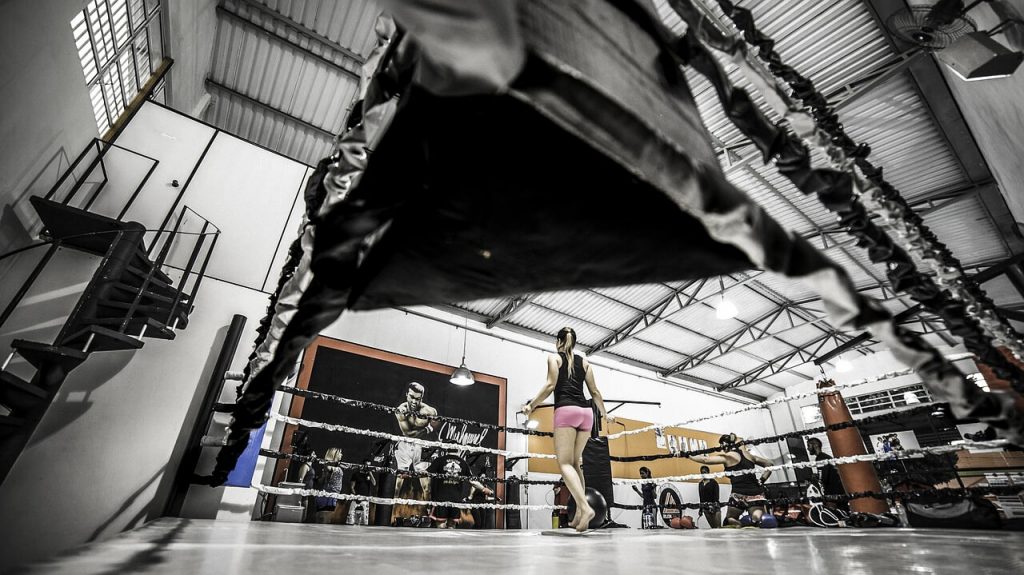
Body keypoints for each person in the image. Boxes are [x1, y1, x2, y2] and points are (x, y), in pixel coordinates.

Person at [523, 326, 613, 532]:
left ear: (558, 341)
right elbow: (595, 391)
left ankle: (584, 507)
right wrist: (605, 414)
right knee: (575, 463)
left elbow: (549, 385)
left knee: (564, 464)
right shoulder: (586, 361)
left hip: (566, 411)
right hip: (586, 413)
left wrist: (531, 405)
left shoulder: (553, 358)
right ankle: (580, 517)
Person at [689, 433, 772, 526]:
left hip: (739, 494)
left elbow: (706, 460)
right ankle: (753, 523)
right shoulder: (749, 455)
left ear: (725, 445)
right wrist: (762, 480)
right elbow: (769, 463)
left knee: (730, 519)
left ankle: (743, 527)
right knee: (756, 519)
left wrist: (688, 455)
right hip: (756, 493)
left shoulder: (729, 457)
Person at [394, 381, 437, 497]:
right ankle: (391, 507)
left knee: (426, 485)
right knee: (398, 483)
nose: (414, 401)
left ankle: (428, 512)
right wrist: (427, 429)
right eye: (412, 397)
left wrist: (429, 429)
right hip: (405, 444)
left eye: (418, 399)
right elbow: (408, 433)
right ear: (406, 394)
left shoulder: (429, 411)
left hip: (420, 446)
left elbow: (437, 421)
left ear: (421, 398)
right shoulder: (401, 410)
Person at [806, 437, 845, 508]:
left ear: (815, 445)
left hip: (832, 492)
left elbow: (823, 478)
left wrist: (816, 480)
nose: (808, 448)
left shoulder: (821, 458)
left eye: (809, 445)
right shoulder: (825, 456)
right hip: (837, 491)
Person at [347, 458, 377, 525]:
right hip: (356, 498)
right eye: (366, 465)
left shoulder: (369, 475)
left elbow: (374, 483)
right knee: (351, 517)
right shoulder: (356, 474)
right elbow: (352, 487)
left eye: (369, 466)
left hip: (366, 499)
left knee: (365, 519)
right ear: (363, 465)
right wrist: (356, 496)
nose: (367, 467)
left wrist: (370, 473)